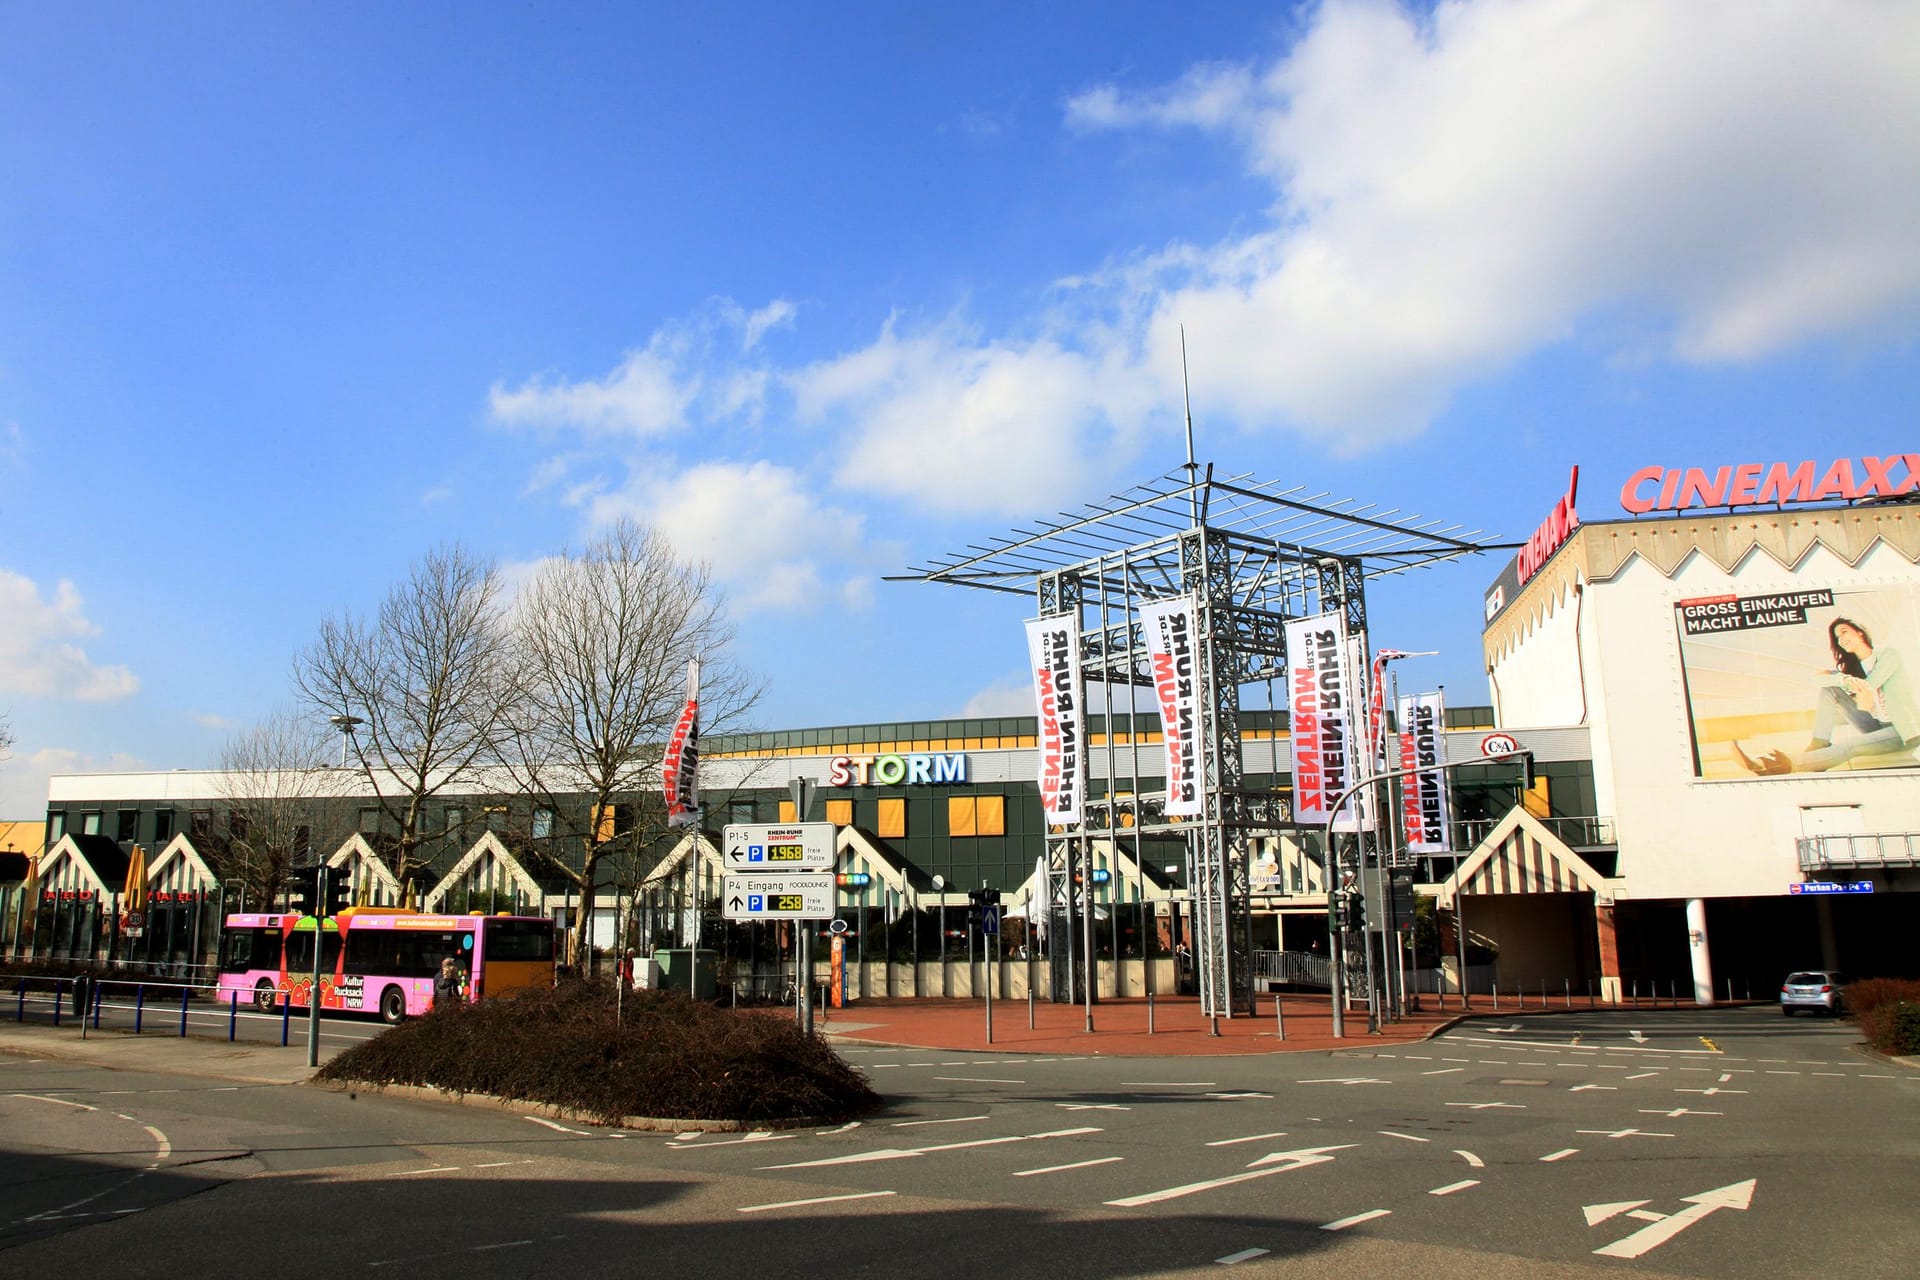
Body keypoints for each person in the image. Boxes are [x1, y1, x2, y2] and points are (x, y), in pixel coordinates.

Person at [1735, 617, 1918, 774]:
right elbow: (1817, 680)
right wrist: (1843, 680)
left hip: (1902, 730)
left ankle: (1777, 765)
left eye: (1845, 632)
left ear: (1860, 632)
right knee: (1830, 690)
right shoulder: (1854, 669)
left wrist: (1847, 681)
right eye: (1838, 637)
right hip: (1877, 725)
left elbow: (1871, 685)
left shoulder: (1888, 654)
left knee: (1849, 746)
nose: (1841, 639)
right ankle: (1819, 743)